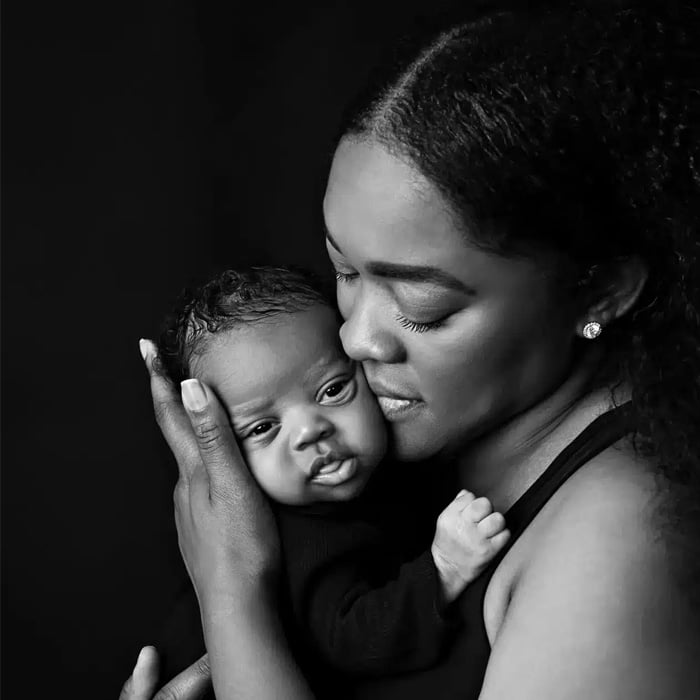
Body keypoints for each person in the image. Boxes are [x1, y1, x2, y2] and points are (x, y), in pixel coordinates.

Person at [121, 2, 700, 699]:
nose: (357, 338)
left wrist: (231, 592)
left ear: (600, 292)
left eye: (423, 307)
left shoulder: (617, 546)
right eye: (342, 271)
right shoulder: (404, 467)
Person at [153, 265, 509, 684]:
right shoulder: (297, 542)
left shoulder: (398, 474)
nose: (310, 431)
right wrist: (444, 568)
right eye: (263, 428)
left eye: (333, 389)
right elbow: (352, 642)